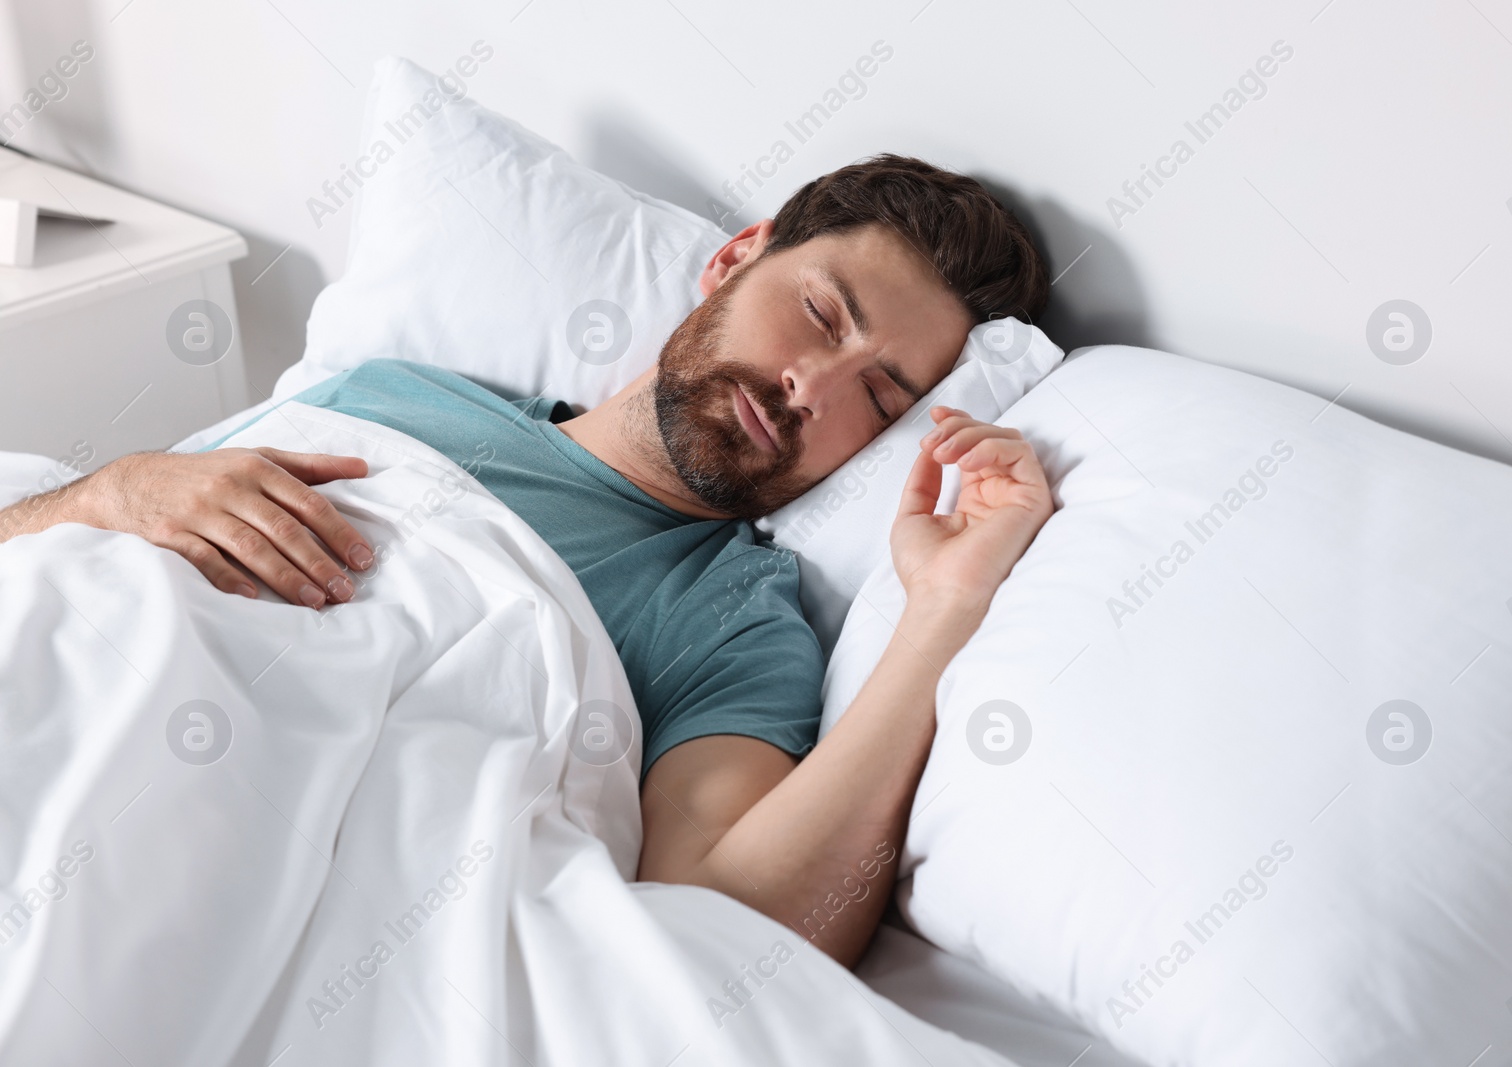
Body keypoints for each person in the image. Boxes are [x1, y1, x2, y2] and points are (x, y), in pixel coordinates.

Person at [0, 155, 1055, 968]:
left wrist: (944, 606)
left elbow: (729, 922)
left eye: (877, 397)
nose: (809, 386)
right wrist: (100, 496)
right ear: (735, 257)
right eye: (821, 314)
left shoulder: (733, 612)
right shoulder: (389, 393)